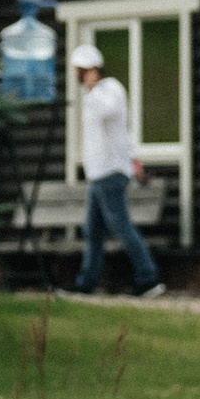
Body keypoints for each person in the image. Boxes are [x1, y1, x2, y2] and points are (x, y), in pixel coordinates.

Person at [72, 36, 165, 298]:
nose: (77, 77)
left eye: (80, 71)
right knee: (93, 231)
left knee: (122, 228)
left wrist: (92, 90)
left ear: (90, 69)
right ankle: (86, 284)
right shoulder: (93, 96)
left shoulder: (109, 90)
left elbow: (109, 114)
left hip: (111, 172)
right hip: (97, 174)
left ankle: (148, 280)